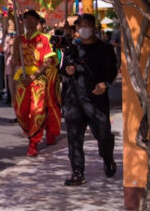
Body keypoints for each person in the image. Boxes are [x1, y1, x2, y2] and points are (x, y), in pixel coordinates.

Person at [61, 14, 118, 186]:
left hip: (96, 100)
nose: (82, 29)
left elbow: (112, 71)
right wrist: (68, 71)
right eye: (80, 26)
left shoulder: (105, 49)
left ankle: (108, 158)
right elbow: (63, 70)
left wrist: (105, 84)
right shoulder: (72, 48)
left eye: (86, 25)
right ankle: (78, 172)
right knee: (74, 137)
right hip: (74, 100)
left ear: (94, 27)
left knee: (103, 135)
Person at [11, 10, 62, 156]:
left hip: (38, 77)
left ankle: (33, 142)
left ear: (37, 21)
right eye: (26, 19)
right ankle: (34, 130)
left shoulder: (44, 38)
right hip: (22, 76)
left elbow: (47, 63)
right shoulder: (19, 39)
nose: (29, 22)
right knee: (20, 110)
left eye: (32, 19)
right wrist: (15, 45)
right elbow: (16, 61)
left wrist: (33, 76)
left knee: (37, 110)